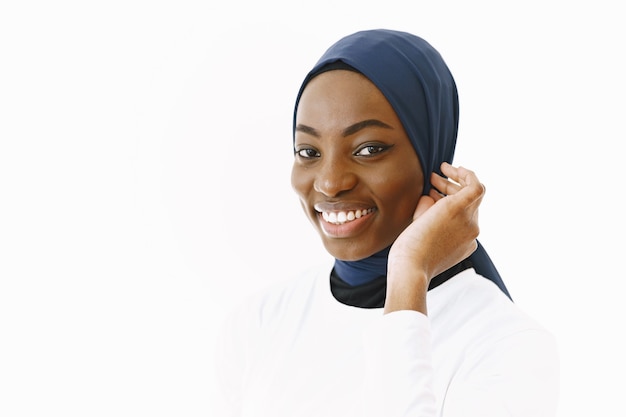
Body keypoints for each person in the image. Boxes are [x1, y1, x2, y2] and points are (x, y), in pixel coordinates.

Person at [214, 29, 559, 417]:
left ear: (430, 152)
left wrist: (410, 274)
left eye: (369, 149)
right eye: (308, 151)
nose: (330, 182)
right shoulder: (258, 324)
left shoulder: (506, 344)